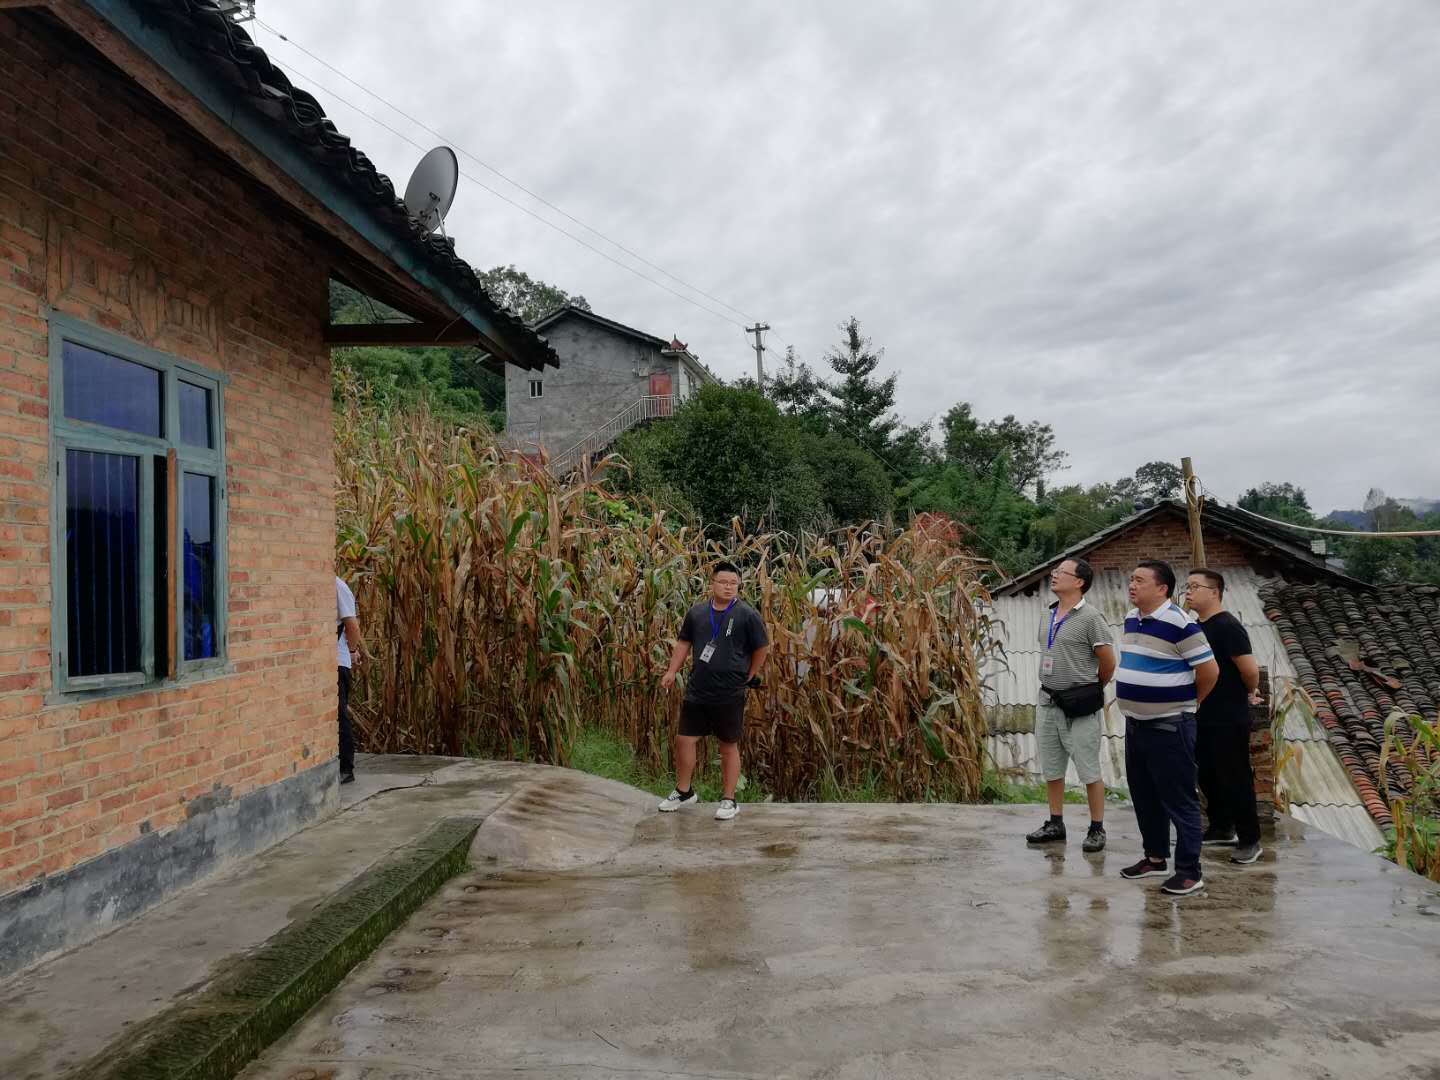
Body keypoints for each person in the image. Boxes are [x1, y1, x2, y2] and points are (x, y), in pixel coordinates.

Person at [1115, 560, 1219, 896]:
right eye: (1131, 579)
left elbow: (1210, 671)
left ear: (1162, 589)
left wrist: (1190, 703)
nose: (1132, 585)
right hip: (1136, 725)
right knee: (1145, 796)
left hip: (1170, 726)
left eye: (1140, 580)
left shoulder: (1181, 623)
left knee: (1180, 800)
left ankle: (1189, 871)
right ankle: (1155, 857)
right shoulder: (1132, 618)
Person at [657, 561, 770, 821]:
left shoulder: (747, 614)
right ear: (712, 583)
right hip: (698, 688)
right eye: (723, 582)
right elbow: (684, 643)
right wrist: (672, 671)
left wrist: (750, 673)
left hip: (729, 691)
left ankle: (729, 800)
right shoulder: (697, 613)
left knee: (727, 745)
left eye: (733, 583)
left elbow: (761, 647)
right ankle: (684, 791)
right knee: (684, 740)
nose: (728, 587)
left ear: (738, 585)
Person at [1024, 558, 1116, 852]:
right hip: (1048, 701)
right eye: (1055, 571)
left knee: (1089, 768)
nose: (1054, 575)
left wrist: (1091, 690)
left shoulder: (1091, 618)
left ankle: (1097, 828)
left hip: (1079, 706)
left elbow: (1108, 662)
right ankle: (1055, 823)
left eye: (1061, 572)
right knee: (1052, 767)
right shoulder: (1048, 613)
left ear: (1079, 582)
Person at [1184, 568, 1264, 865]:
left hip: (1228, 714)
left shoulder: (1228, 626)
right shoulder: (1195, 627)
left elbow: (1249, 670)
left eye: (1195, 586)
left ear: (1214, 592)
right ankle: (1221, 826)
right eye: (1187, 586)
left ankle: (1250, 839)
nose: (1189, 592)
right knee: (1207, 773)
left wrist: (1250, 692)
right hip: (1201, 712)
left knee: (1235, 776)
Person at [336, 575, 366, 785]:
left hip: (338, 662)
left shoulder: (338, 586)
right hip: (326, 663)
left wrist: (352, 650)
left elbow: (352, 626)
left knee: (339, 715)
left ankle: (346, 768)